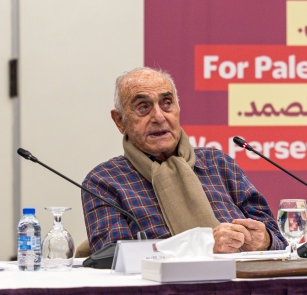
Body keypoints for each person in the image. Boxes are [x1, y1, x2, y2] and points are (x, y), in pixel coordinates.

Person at [82, 67, 287, 254]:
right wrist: (205, 246)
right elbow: (113, 257)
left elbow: (279, 239)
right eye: (143, 107)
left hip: (241, 278)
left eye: (167, 103)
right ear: (120, 121)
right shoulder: (104, 181)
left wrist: (265, 240)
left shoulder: (218, 163)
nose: (159, 117)